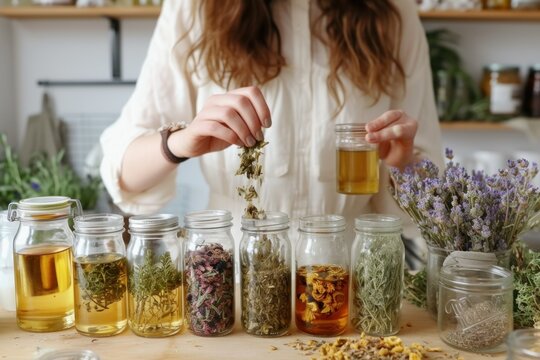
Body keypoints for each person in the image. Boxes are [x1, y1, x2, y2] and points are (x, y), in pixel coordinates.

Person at [100, 0, 444, 264]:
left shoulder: (392, 12)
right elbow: (126, 175)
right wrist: (180, 142)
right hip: (232, 271)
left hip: (350, 272)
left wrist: (402, 163)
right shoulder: (196, 8)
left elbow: (424, 209)